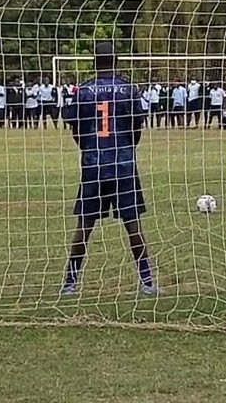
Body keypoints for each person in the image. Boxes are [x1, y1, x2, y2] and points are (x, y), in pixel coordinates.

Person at [61, 42, 156, 296]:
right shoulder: (129, 89)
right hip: (123, 164)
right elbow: (137, 128)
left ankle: (70, 282)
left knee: (84, 224)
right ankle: (147, 282)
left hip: (94, 164)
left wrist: (87, 148)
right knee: (133, 224)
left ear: (94, 63)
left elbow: (75, 127)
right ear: (117, 62)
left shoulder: (83, 91)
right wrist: (127, 148)